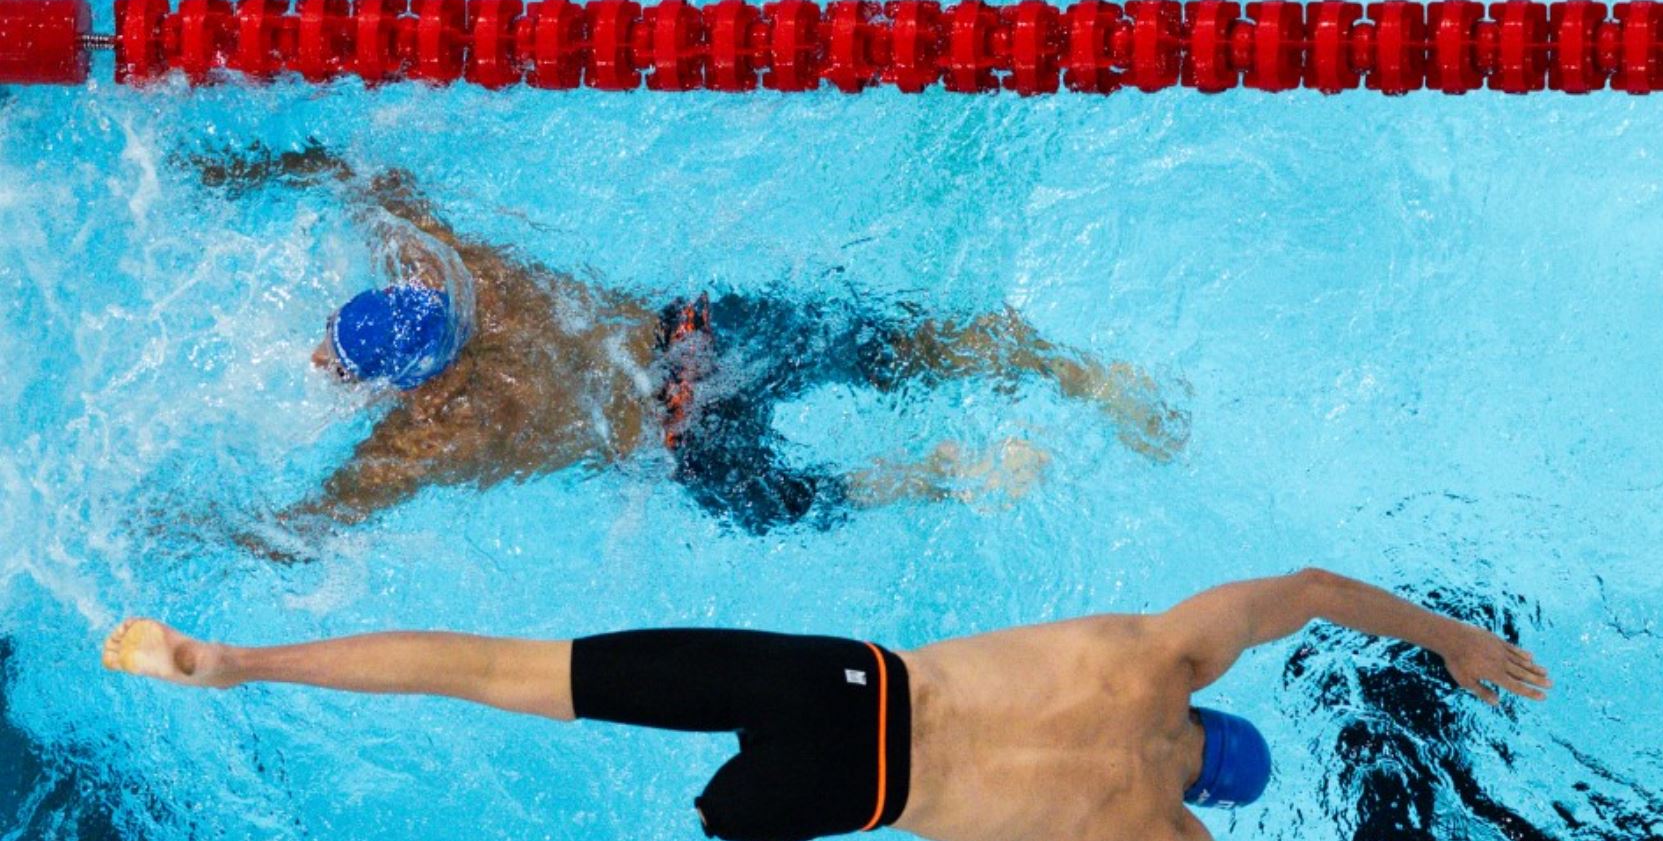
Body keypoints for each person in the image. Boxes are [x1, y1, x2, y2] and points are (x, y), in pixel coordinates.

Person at [102, 567, 1548, 841]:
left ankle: (230, 658)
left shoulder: (1154, 652)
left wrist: (1451, 638)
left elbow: (1299, 585)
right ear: (1208, 791)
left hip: (840, 676)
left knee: (506, 664)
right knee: (714, 805)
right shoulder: (1154, 840)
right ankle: (237, 675)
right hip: (832, 797)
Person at [195, 144, 1185, 540]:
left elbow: (308, 524)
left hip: (684, 445)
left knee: (818, 500)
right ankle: (1066, 370)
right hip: (697, 338)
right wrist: (243, 172)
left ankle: (944, 473)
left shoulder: (428, 434)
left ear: (397, 384)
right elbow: (358, 171)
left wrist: (183, 524)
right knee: (885, 347)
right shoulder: (468, 272)